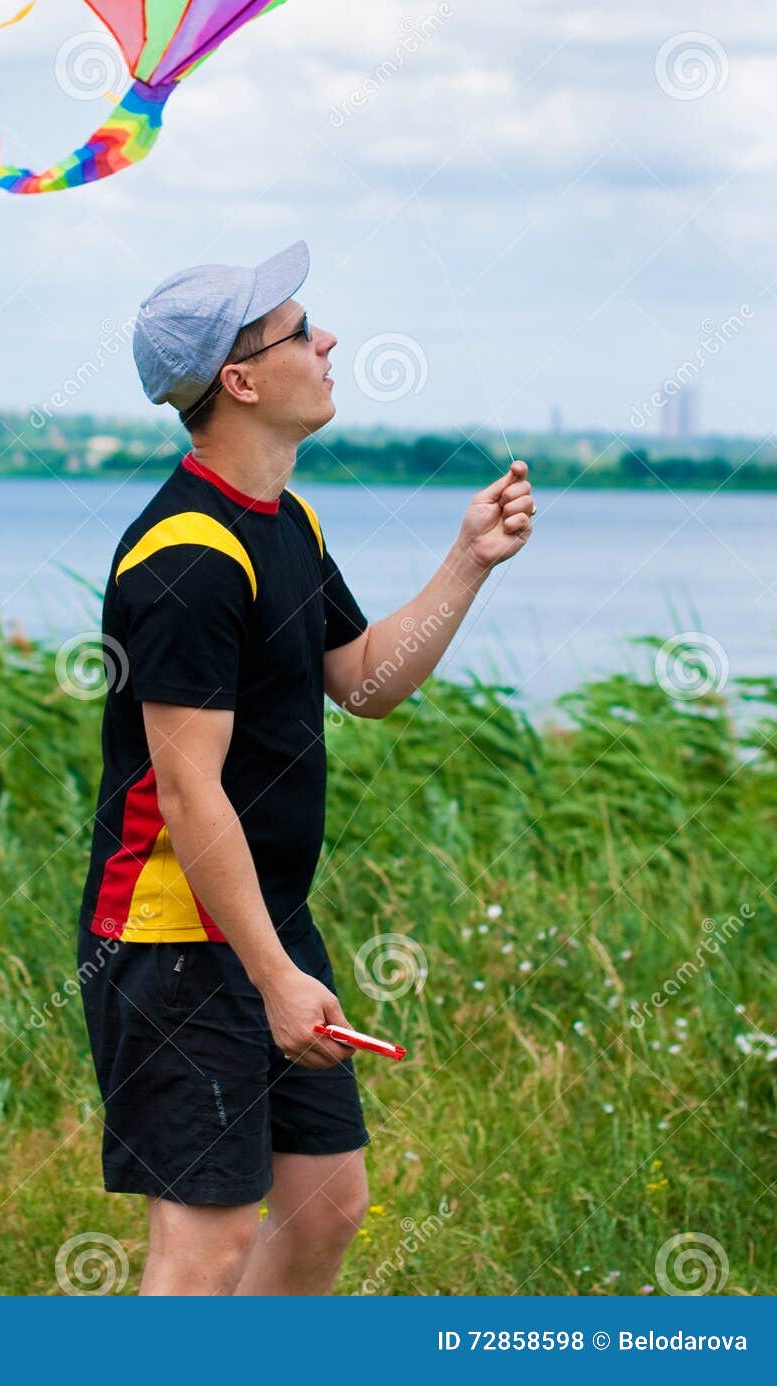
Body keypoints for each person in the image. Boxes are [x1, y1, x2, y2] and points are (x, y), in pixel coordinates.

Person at [76, 240, 535, 1295]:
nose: (327, 341)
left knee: (325, 1204)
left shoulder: (285, 524)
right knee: (209, 1244)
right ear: (240, 381)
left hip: (258, 918)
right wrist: (275, 978)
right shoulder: (187, 555)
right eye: (299, 330)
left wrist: (466, 561)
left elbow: (366, 681)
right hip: (172, 936)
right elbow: (189, 791)